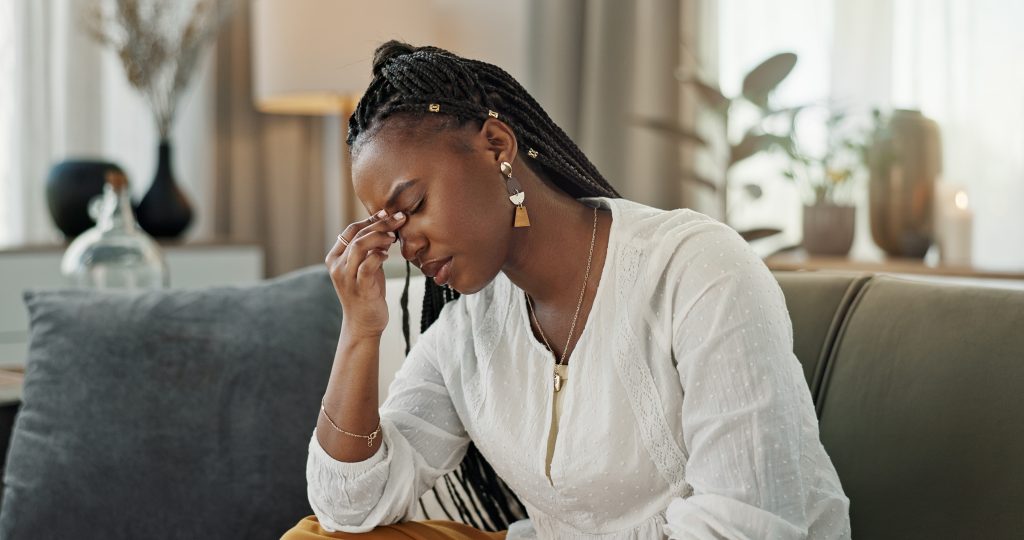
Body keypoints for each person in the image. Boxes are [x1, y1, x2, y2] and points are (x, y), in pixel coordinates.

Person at [282, 41, 851, 540]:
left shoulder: (696, 269)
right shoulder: (469, 330)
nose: (409, 246)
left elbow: (744, 527)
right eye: (392, 227)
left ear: (498, 147)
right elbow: (347, 505)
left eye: (413, 206)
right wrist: (361, 330)